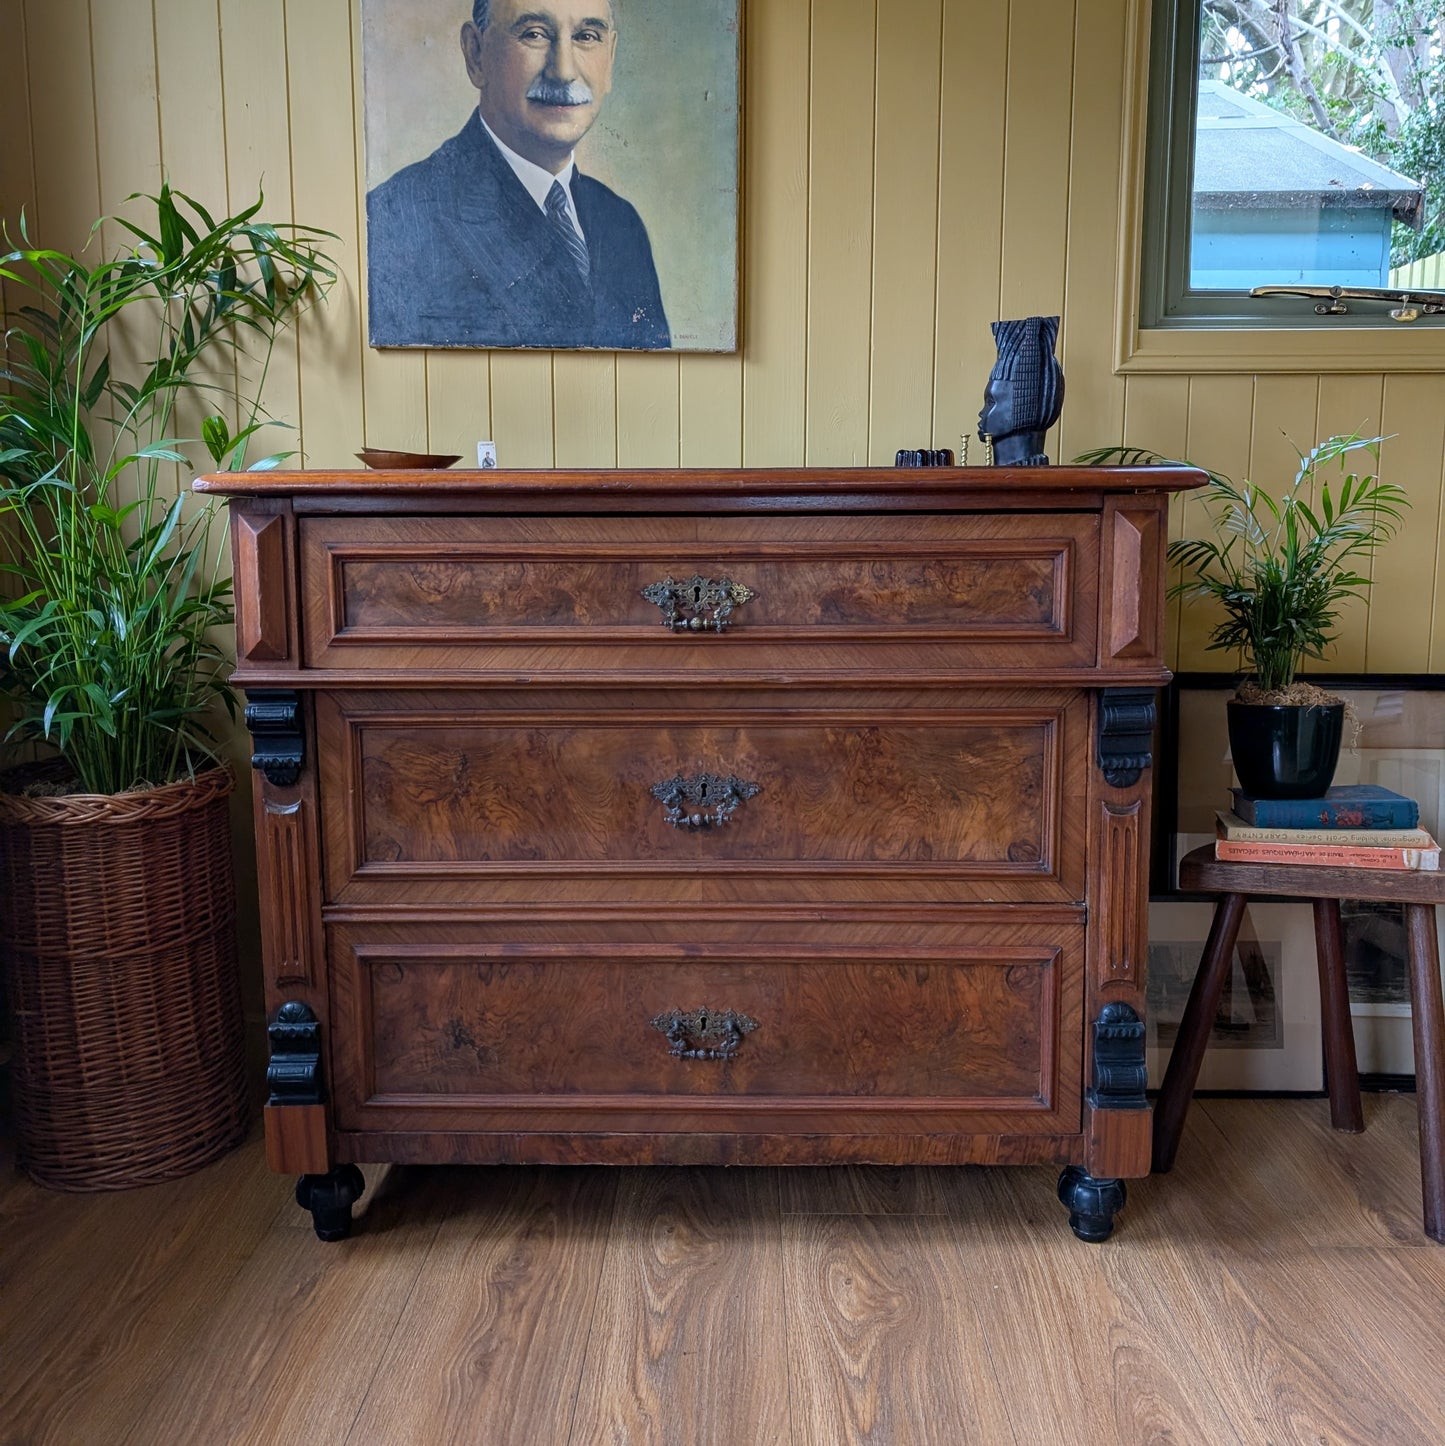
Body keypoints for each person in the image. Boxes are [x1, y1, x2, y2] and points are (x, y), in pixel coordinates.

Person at [367, 0, 670, 350]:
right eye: (535, 34)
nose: (564, 71)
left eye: (587, 36)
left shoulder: (621, 224)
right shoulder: (398, 218)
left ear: (610, 60)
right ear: (476, 54)